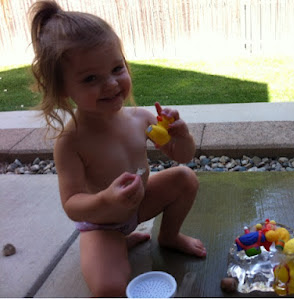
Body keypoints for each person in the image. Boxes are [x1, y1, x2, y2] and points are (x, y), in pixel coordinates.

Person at [29, 1, 206, 296]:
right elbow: (72, 204)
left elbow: (182, 156)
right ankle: (115, 245)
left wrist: (181, 135)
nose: (111, 84)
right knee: (109, 288)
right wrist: (105, 200)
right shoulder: (71, 142)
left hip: (139, 206)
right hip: (102, 224)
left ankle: (169, 236)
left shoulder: (141, 120)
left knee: (185, 177)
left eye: (116, 68)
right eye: (90, 78)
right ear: (62, 89)